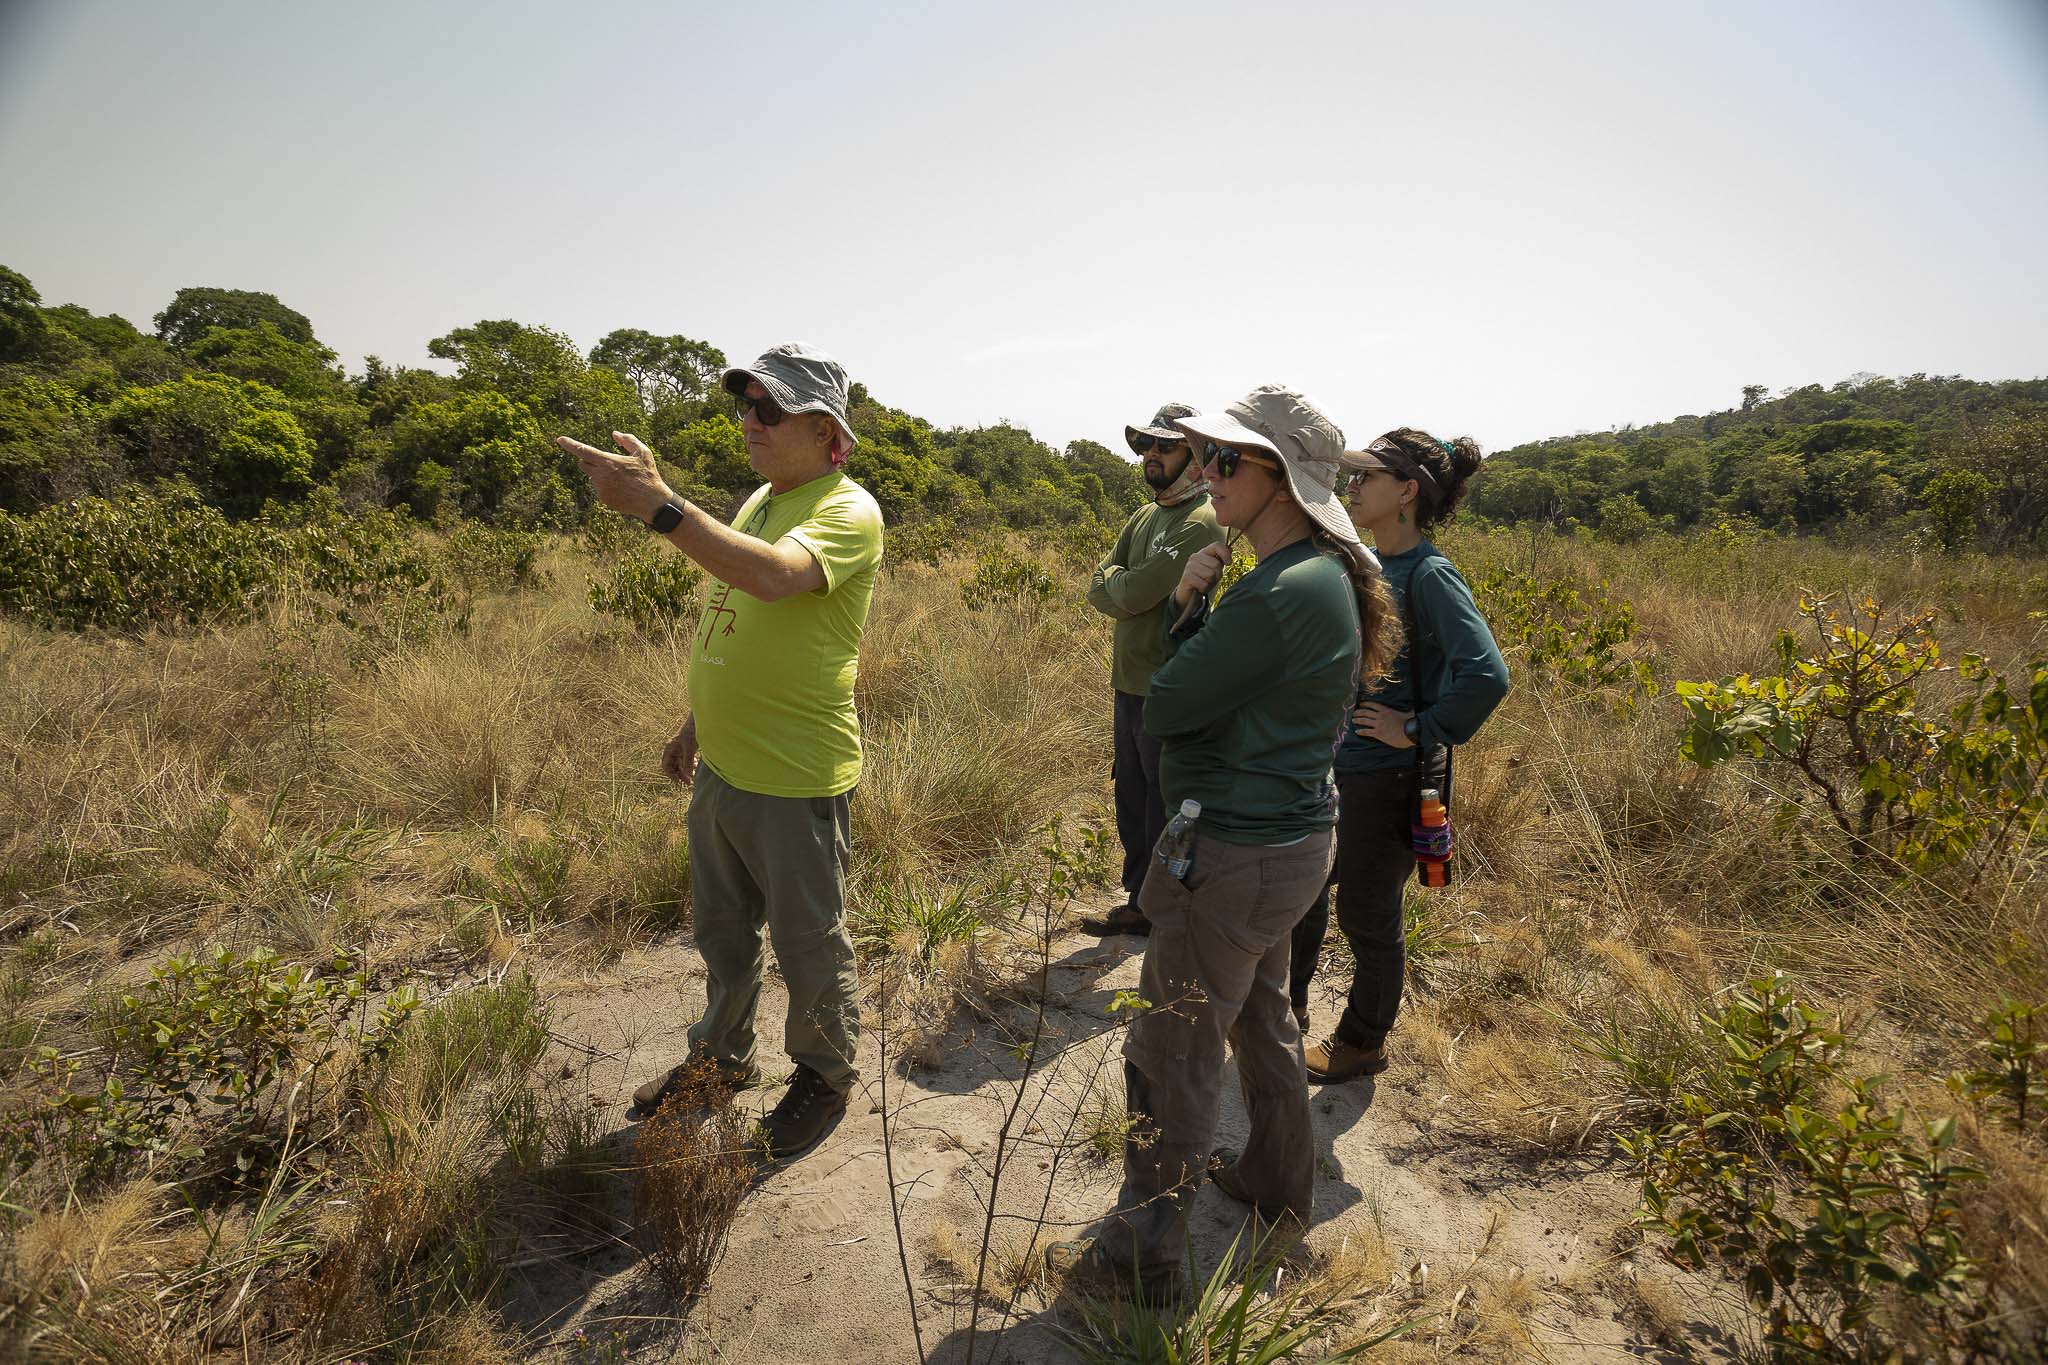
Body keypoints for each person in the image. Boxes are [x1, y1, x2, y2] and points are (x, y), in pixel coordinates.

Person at [1049, 386, 1400, 1295]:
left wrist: (1188, 606)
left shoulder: (1278, 590)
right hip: (1285, 844)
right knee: (1261, 1016)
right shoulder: (1318, 575)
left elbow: (1166, 704)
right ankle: (1277, 1184)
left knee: (1173, 1047)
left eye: (1225, 459)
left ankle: (1142, 1255)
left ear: (1278, 477)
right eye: (1205, 456)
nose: (1207, 473)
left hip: (1236, 854)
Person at [555, 342, 883, 1161]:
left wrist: (659, 506)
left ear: (827, 429)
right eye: (746, 404)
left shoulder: (847, 509)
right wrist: (693, 725)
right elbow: (731, 611)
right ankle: (721, 1059)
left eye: (770, 410)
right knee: (724, 931)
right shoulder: (761, 498)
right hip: (728, 766)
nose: (749, 421)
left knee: (809, 941)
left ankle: (824, 1076)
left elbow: (774, 578)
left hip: (796, 773)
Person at [1295, 428, 1508, 1084]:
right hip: (1338, 768)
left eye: (1368, 476)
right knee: (1302, 893)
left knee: (1364, 909)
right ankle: (1283, 1013)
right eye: (1352, 476)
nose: (1353, 486)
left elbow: (1486, 674)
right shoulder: (1363, 559)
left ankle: (1363, 1041)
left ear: (1407, 492)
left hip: (1388, 779)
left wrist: (1416, 727)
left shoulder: (1430, 574)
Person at [1079, 402, 1225, 938]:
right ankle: (1141, 905)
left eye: (1165, 446)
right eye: (1147, 445)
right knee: (1134, 803)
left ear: (1195, 455)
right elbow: (1102, 584)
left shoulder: (1202, 519)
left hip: (1169, 689)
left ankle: (1170, 912)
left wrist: (1119, 585)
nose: (1151, 455)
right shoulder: (1146, 515)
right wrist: (1119, 586)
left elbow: (1134, 591)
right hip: (1129, 686)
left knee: (1170, 808)